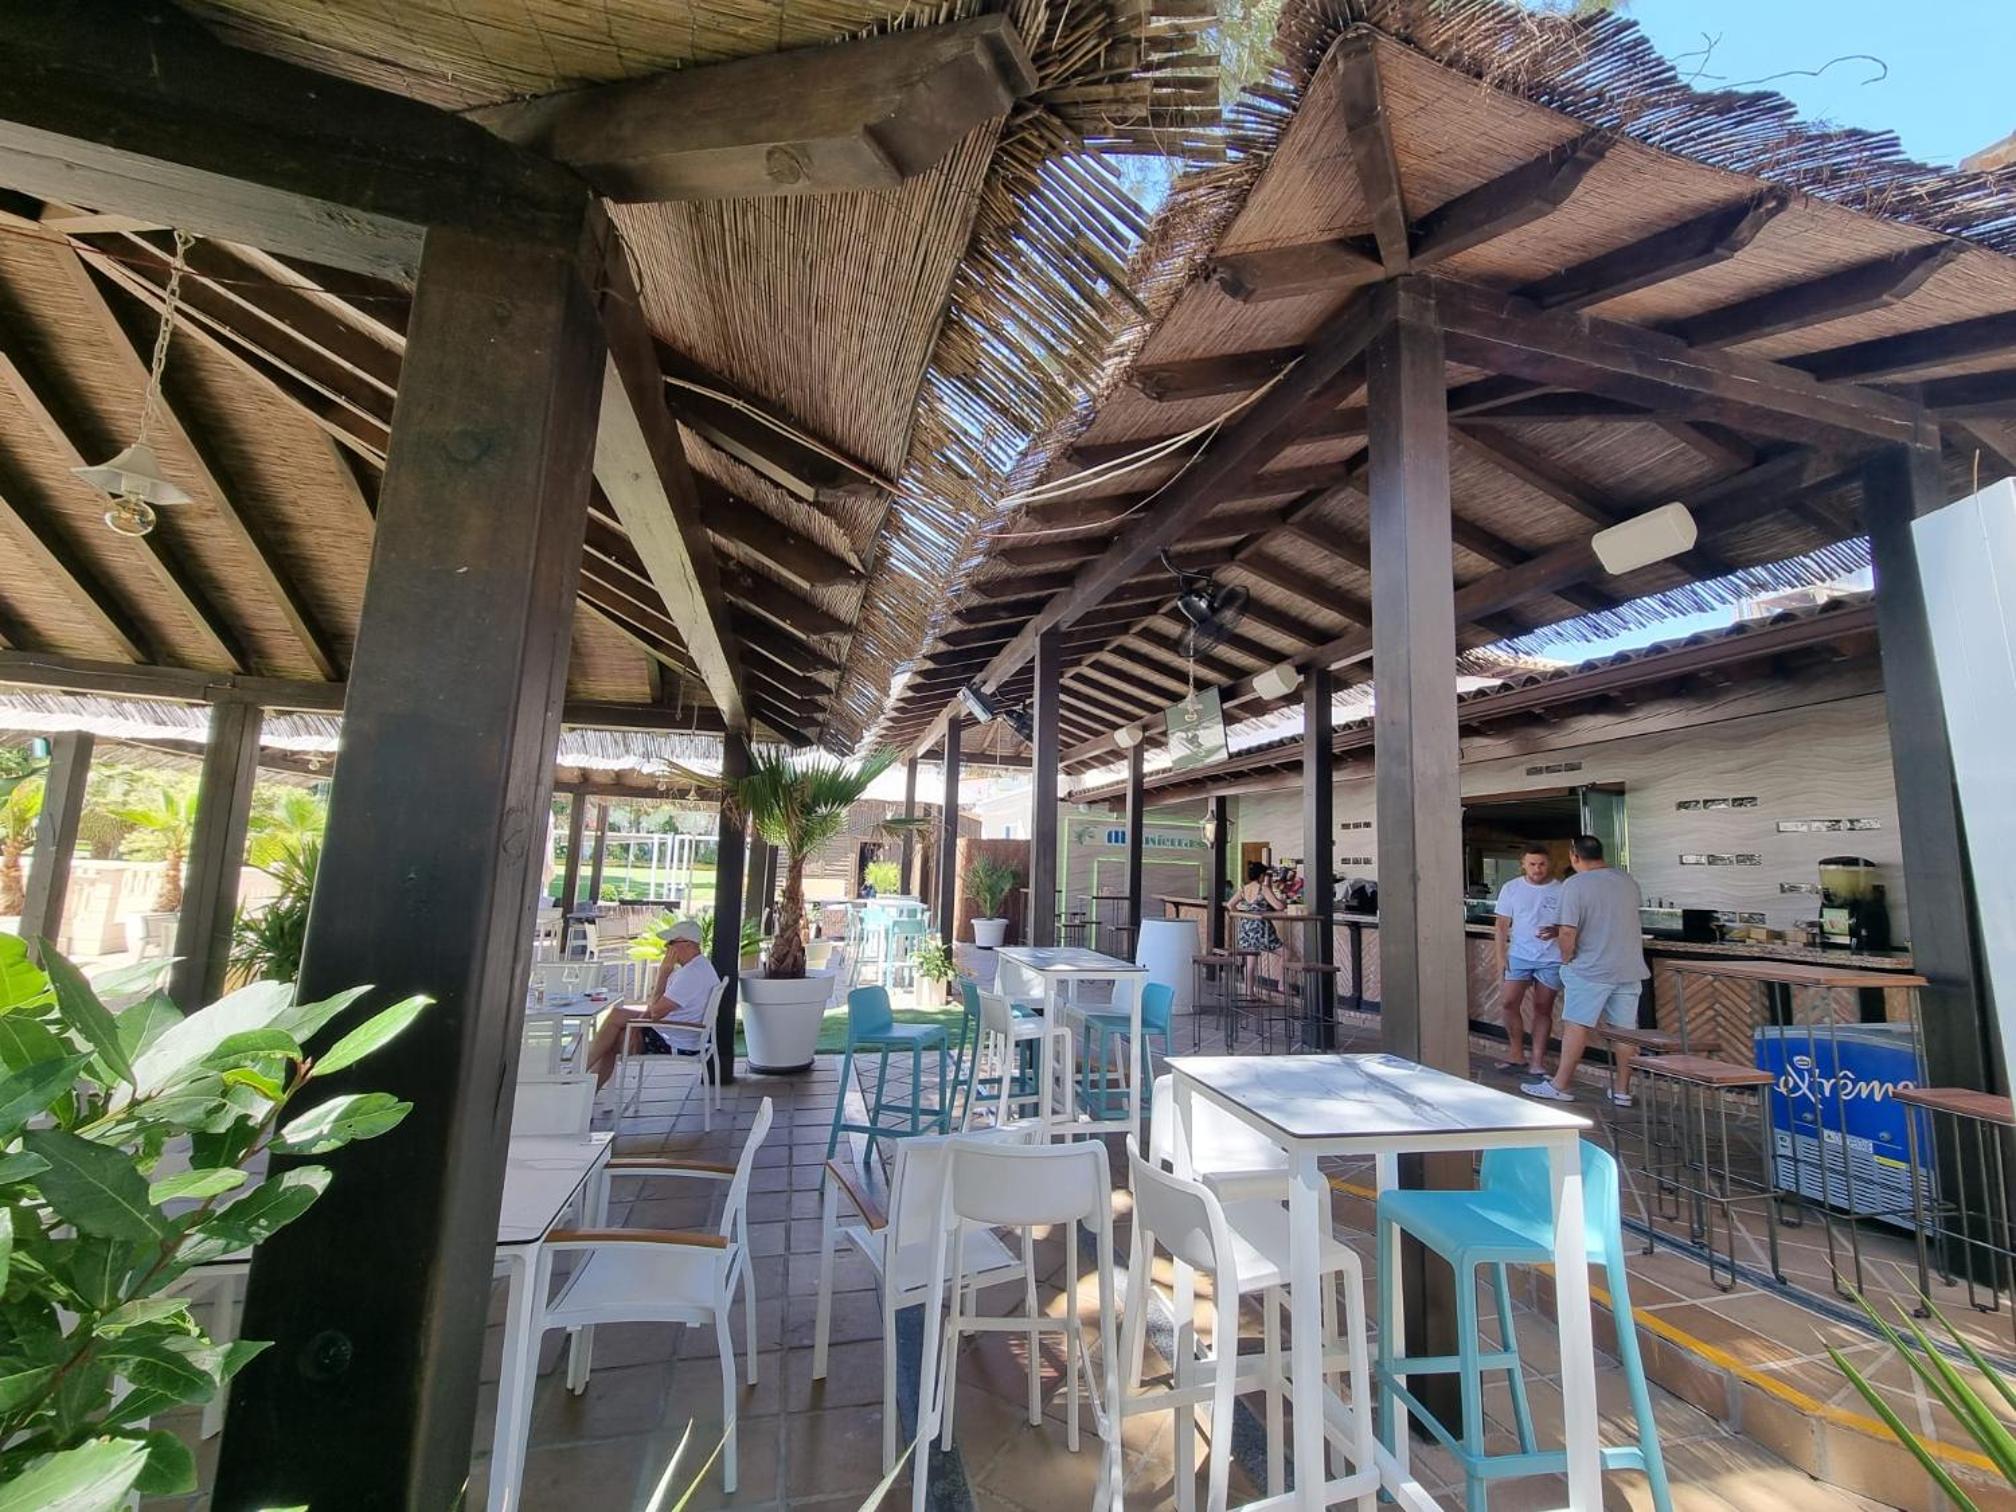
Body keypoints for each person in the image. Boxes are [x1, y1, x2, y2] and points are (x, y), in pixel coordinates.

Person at [1524, 836, 1648, 1107]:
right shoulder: (1627, 881)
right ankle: (1623, 1090)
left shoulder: (1575, 884)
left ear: (1575, 856)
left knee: (1576, 1024)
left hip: (1590, 968)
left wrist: (1566, 959)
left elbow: (1568, 930)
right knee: (1625, 1031)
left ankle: (1561, 1085)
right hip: (1629, 967)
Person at [582, 918, 721, 1088]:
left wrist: (663, 974)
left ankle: (576, 1079)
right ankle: (580, 1087)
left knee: (612, 1037)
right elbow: (655, 1010)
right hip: (678, 1032)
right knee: (616, 1019)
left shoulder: (691, 974)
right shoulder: (700, 966)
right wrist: (637, 1026)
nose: (666, 948)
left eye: (671, 943)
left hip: (677, 1039)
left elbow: (655, 1012)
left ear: (689, 944)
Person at [1492, 844, 1561, 1077]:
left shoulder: (1561, 890)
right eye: (1532, 864)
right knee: (1509, 1003)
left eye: (1541, 864)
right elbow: (1501, 925)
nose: (1537, 869)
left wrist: (1557, 931)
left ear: (1549, 864)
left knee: (1543, 1008)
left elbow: (1573, 924)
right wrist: (1501, 957)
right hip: (1519, 956)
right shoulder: (1511, 888)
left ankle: (1537, 1061)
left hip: (1551, 958)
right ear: (1523, 864)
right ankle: (1516, 1053)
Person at [1230, 861, 1286, 993]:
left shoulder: (1243, 889)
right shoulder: (1263, 889)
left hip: (1246, 928)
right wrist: (1283, 900)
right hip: (1261, 929)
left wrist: (1242, 915)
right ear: (1261, 875)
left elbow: (1230, 905)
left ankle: (1249, 992)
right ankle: (1282, 985)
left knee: (1251, 960)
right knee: (1286, 954)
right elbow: (1279, 906)